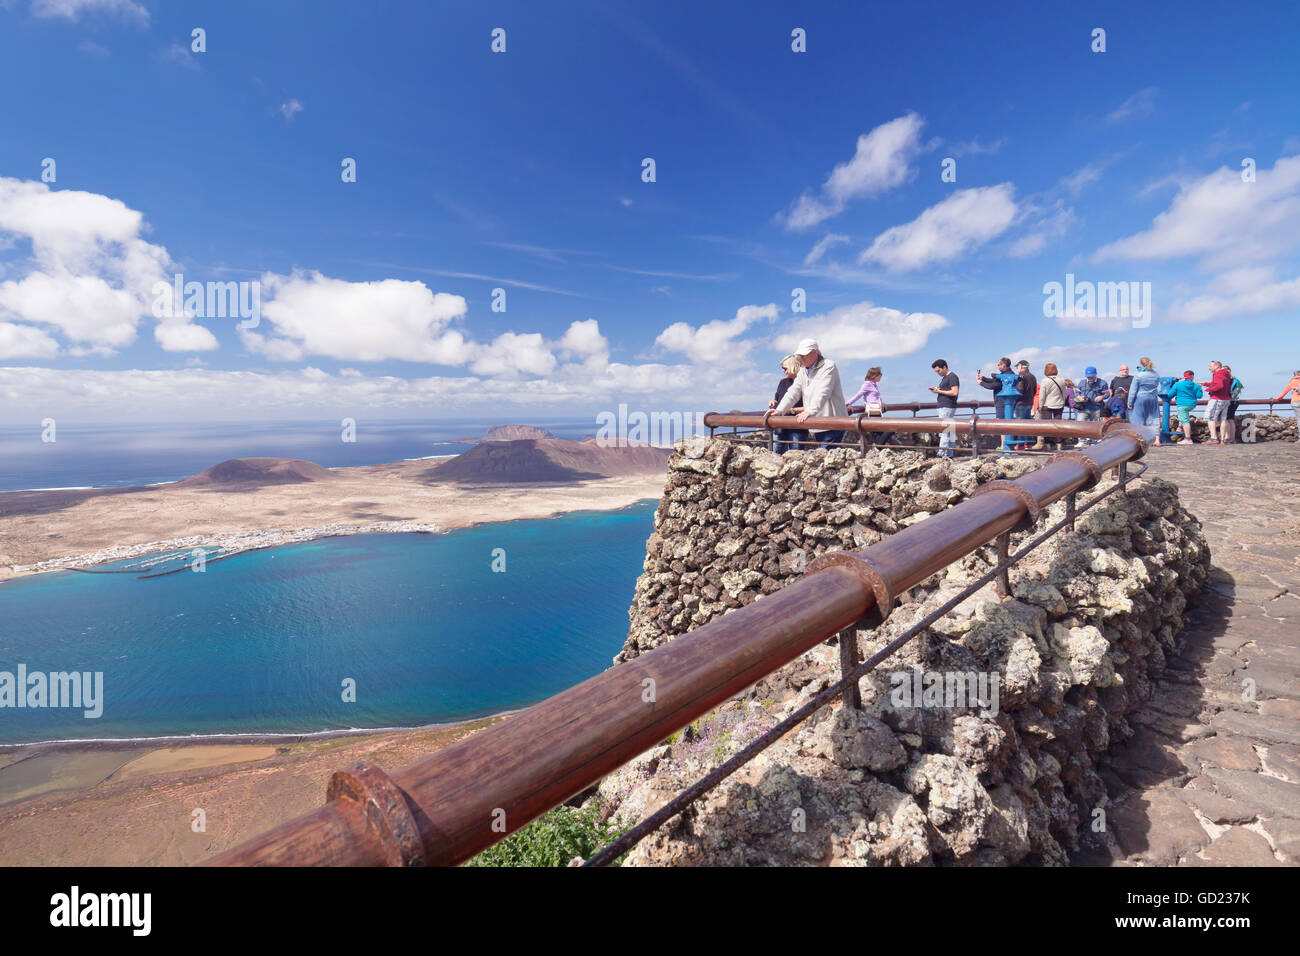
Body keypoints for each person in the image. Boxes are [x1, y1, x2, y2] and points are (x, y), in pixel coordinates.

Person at [771, 338, 847, 447]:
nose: (800, 358)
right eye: (799, 355)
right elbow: (793, 392)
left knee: (827, 456)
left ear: (815, 352)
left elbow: (824, 391)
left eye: (804, 355)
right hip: (818, 423)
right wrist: (779, 411)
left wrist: (810, 411)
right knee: (825, 456)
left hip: (832, 422)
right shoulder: (803, 370)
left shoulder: (828, 366)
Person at [978, 358, 1021, 452]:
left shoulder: (1006, 376)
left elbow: (995, 385)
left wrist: (982, 383)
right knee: (1007, 423)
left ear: (1004, 365)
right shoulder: (1010, 374)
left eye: (999, 365)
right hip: (1008, 401)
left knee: (1002, 424)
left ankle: (1004, 446)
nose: (998, 366)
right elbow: (995, 381)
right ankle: (1006, 445)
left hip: (1002, 402)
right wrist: (984, 378)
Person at [772, 354, 809, 453]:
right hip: (780, 424)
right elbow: (777, 397)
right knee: (773, 452)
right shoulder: (782, 382)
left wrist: (792, 410)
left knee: (795, 454)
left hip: (798, 426)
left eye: (784, 368)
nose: (782, 370)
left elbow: (811, 407)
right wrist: (773, 402)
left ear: (793, 367)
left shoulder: (807, 383)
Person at [929, 359, 959, 458]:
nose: (938, 373)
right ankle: (949, 453)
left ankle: (942, 454)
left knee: (945, 431)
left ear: (944, 367)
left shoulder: (952, 377)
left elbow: (954, 392)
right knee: (949, 431)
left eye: (938, 371)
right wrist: (938, 390)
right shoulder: (946, 377)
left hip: (947, 406)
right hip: (947, 406)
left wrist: (939, 392)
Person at [1034, 363, 1068, 450]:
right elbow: (1064, 393)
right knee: (1058, 424)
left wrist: (1040, 406)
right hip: (1059, 404)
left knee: (1048, 425)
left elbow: (1042, 396)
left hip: (1047, 405)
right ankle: (1059, 443)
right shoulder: (1062, 380)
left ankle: (1048, 443)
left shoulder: (1045, 381)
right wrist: (1062, 402)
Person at [1129, 357, 1163, 445]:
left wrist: (1130, 402)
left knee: (1138, 418)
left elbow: (1133, 390)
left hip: (1141, 397)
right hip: (1153, 398)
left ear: (1141, 364)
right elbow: (1157, 386)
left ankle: (1140, 439)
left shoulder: (1138, 374)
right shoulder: (1156, 374)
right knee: (1154, 417)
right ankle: (1157, 440)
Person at [1200, 360, 1233, 445]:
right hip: (1226, 399)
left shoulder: (1218, 373)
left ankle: (1213, 438)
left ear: (1217, 366)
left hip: (1217, 399)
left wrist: (1208, 389)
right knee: (1223, 419)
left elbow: (1219, 385)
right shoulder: (1226, 373)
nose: (1209, 368)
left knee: (1210, 418)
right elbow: (1217, 383)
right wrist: (1206, 383)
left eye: (1210, 366)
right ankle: (1222, 439)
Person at [1168, 371, 1204, 443]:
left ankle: (1188, 439)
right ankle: (1180, 427)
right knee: (1184, 416)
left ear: (1184, 377)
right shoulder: (1196, 385)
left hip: (1182, 404)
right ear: (1192, 377)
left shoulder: (1178, 384)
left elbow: (1170, 395)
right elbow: (1199, 396)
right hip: (1192, 405)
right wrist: (1200, 388)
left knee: (1185, 421)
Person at [1013, 359, 1037, 450]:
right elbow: (1034, 390)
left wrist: (1015, 399)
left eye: (1017, 367)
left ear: (1022, 367)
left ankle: (1020, 444)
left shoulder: (1021, 376)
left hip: (1021, 403)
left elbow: (1020, 389)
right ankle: (1028, 443)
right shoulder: (1033, 376)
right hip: (1029, 402)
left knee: (1020, 424)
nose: (1017, 368)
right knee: (1027, 423)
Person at [1225, 366, 1244, 443]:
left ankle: (1227, 437)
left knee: (1225, 419)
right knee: (1231, 419)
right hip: (1235, 401)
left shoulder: (1227, 379)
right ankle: (1233, 439)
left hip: (1227, 401)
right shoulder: (1236, 380)